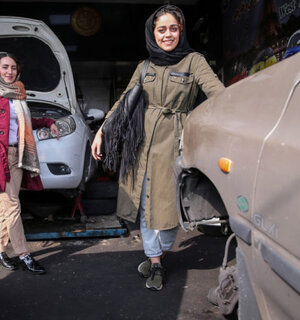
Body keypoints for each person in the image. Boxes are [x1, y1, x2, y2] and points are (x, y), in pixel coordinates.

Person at [91, 5, 224, 290]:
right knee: (144, 204)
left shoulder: (194, 61)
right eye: (161, 29)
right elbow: (124, 100)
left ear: (181, 31)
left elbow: (217, 95)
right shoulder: (145, 66)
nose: (167, 35)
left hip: (174, 143)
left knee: (166, 206)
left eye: (173, 29)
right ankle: (155, 262)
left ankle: (157, 253)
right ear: (153, 32)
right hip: (140, 144)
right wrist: (102, 130)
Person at [0, 52, 60, 274]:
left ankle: (0, 250)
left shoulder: (19, 94)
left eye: (13, 68)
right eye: (5, 67)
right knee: (12, 206)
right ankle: (24, 254)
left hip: (17, 156)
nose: (9, 71)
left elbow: (26, 122)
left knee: (7, 207)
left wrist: (48, 122)